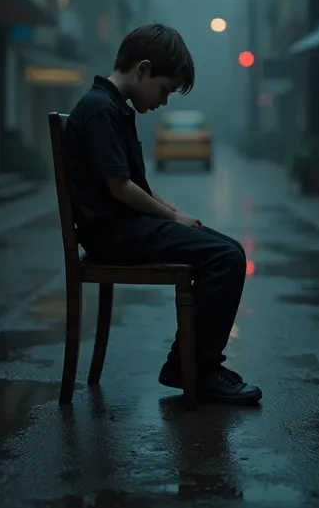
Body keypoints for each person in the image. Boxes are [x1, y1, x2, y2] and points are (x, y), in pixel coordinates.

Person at [64, 24, 262, 405]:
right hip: (114, 236)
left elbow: (135, 183)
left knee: (228, 249)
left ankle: (190, 364)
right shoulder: (100, 110)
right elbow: (119, 189)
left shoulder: (112, 107)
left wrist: (176, 212)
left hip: (125, 229)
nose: (164, 101)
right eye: (165, 89)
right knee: (226, 257)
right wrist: (172, 220)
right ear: (142, 69)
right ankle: (196, 368)